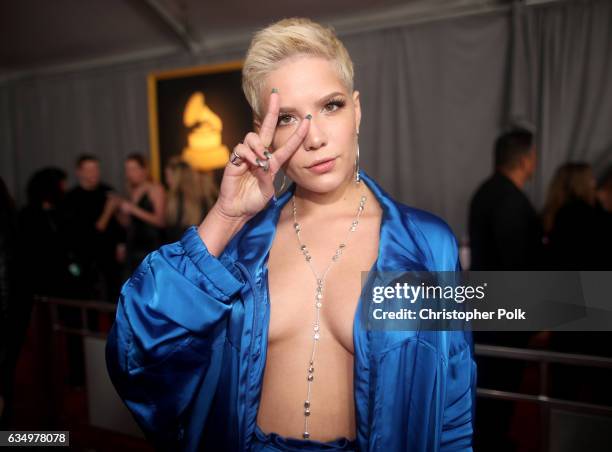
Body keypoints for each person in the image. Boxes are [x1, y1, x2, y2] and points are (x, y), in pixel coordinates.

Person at [106, 18, 475, 452]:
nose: (314, 137)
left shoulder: (428, 243)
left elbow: (453, 406)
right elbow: (135, 352)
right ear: (263, 130)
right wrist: (224, 217)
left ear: (357, 109)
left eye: (331, 106)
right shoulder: (239, 246)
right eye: (288, 119)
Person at [468, 127, 542, 270]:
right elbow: (514, 256)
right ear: (524, 161)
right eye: (533, 156)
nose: (535, 163)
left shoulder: (485, 191)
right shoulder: (509, 199)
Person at [63, 155, 124, 301]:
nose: (94, 173)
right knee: (89, 296)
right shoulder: (71, 198)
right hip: (86, 257)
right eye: (89, 169)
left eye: (96, 168)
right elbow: (92, 232)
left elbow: (118, 225)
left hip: (109, 255)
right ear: (79, 172)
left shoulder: (107, 190)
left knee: (114, 294)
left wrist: (121, 244)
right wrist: (108, 210)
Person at [116, 153, 166, 273]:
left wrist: (133, 209)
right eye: (127, 169)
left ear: (144, 170)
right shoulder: (130, 189)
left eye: (133, 169)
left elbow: (161, 221)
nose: (129, 173)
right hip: (133, 246)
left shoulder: (155, 189)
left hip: (150, 246)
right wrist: (120, 212)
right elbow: (128, 224)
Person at [164, 156, 218, 243]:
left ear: (177, 177)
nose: (166, 180)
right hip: (201, 245)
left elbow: (171, 230)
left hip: (179, 248)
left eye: (168, 176)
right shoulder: (203, 196)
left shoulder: (175, 197)